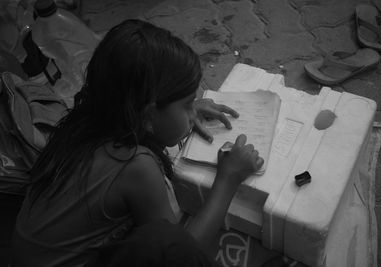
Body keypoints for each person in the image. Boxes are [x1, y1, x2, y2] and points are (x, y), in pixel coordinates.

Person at [11, 19, 264, 266]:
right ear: (147, 115)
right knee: (163, 238)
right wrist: (228, 179)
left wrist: (186, 111)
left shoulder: (85, 123)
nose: (192, 113)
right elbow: (181, 253)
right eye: (186, 104)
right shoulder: (135, 166)